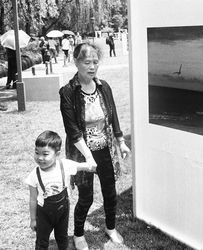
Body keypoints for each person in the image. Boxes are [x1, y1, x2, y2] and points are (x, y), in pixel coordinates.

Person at [59, 41, 130, 250]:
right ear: (76, 62)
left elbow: (113, 114)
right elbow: (73, 130)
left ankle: (110, 227)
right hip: (82, 153)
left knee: (110, 191)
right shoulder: (68, 92)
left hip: (105, 149)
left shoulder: (103, 86)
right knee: (86, 197)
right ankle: (79, 234)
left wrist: (121, 142)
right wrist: (88, 156)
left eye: (95, 62)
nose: (92, 67)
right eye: (87, 62)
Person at [25, 130, 94, 250]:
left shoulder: (64, 165)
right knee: (42, 241)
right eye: (37, 153)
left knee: (62, 238)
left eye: (45, 154)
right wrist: (33, 219)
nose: (40, 158)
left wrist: (90, 165)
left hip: (62, 212)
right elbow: (32, 199)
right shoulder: (34, 175)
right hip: (44, 214)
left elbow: (80, 166)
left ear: (57, 154)